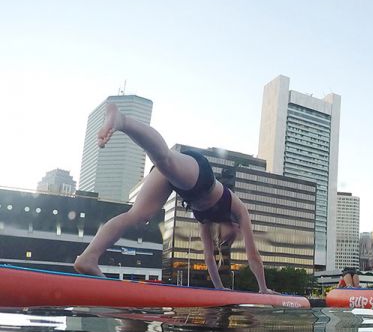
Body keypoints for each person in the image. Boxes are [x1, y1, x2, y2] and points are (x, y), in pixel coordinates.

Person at [74, 103, 276, 293]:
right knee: (165, 159)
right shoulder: (238, 208)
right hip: (200, 177)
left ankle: (88, 257)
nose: (227, 241)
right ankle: (122, 120)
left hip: (180, 184)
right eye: (231, 237)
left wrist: (220, 290)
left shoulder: (205, 223)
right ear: (237, 226)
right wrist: (263, 288)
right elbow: (253, 255)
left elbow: (209, 259)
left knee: (137, 215)